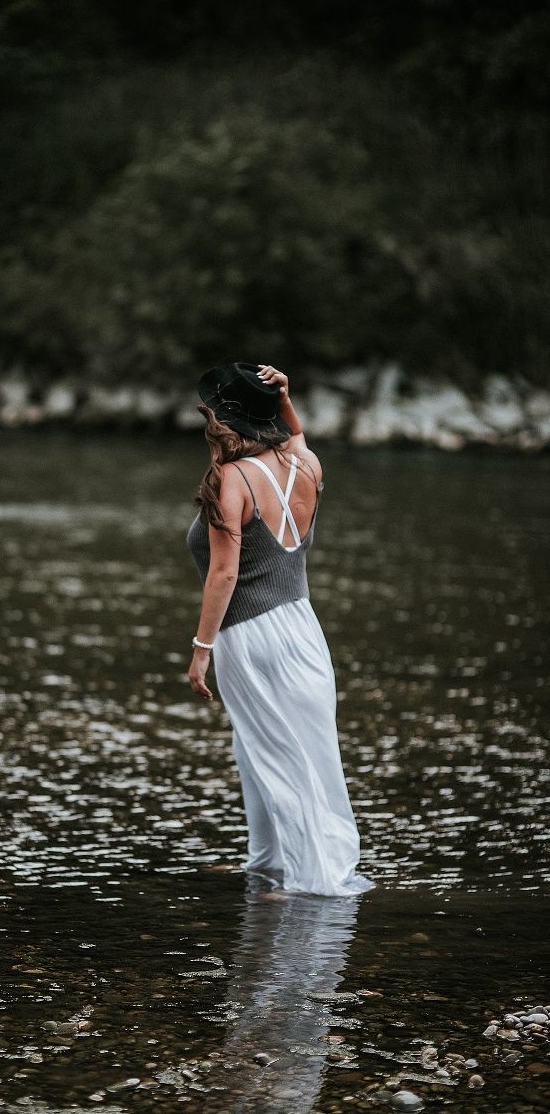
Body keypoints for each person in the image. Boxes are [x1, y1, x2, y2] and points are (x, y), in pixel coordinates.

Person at [186, 361, 373, 896]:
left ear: (224, 421)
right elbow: (297, 438)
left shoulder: (233, 478)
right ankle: (269, 861)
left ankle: (309, 883)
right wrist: (285, 399)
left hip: (250, 634)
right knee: (281, 751)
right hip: (303, 629)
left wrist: (201, 649)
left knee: (272, 753)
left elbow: (224, 572)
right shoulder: (306, 466)